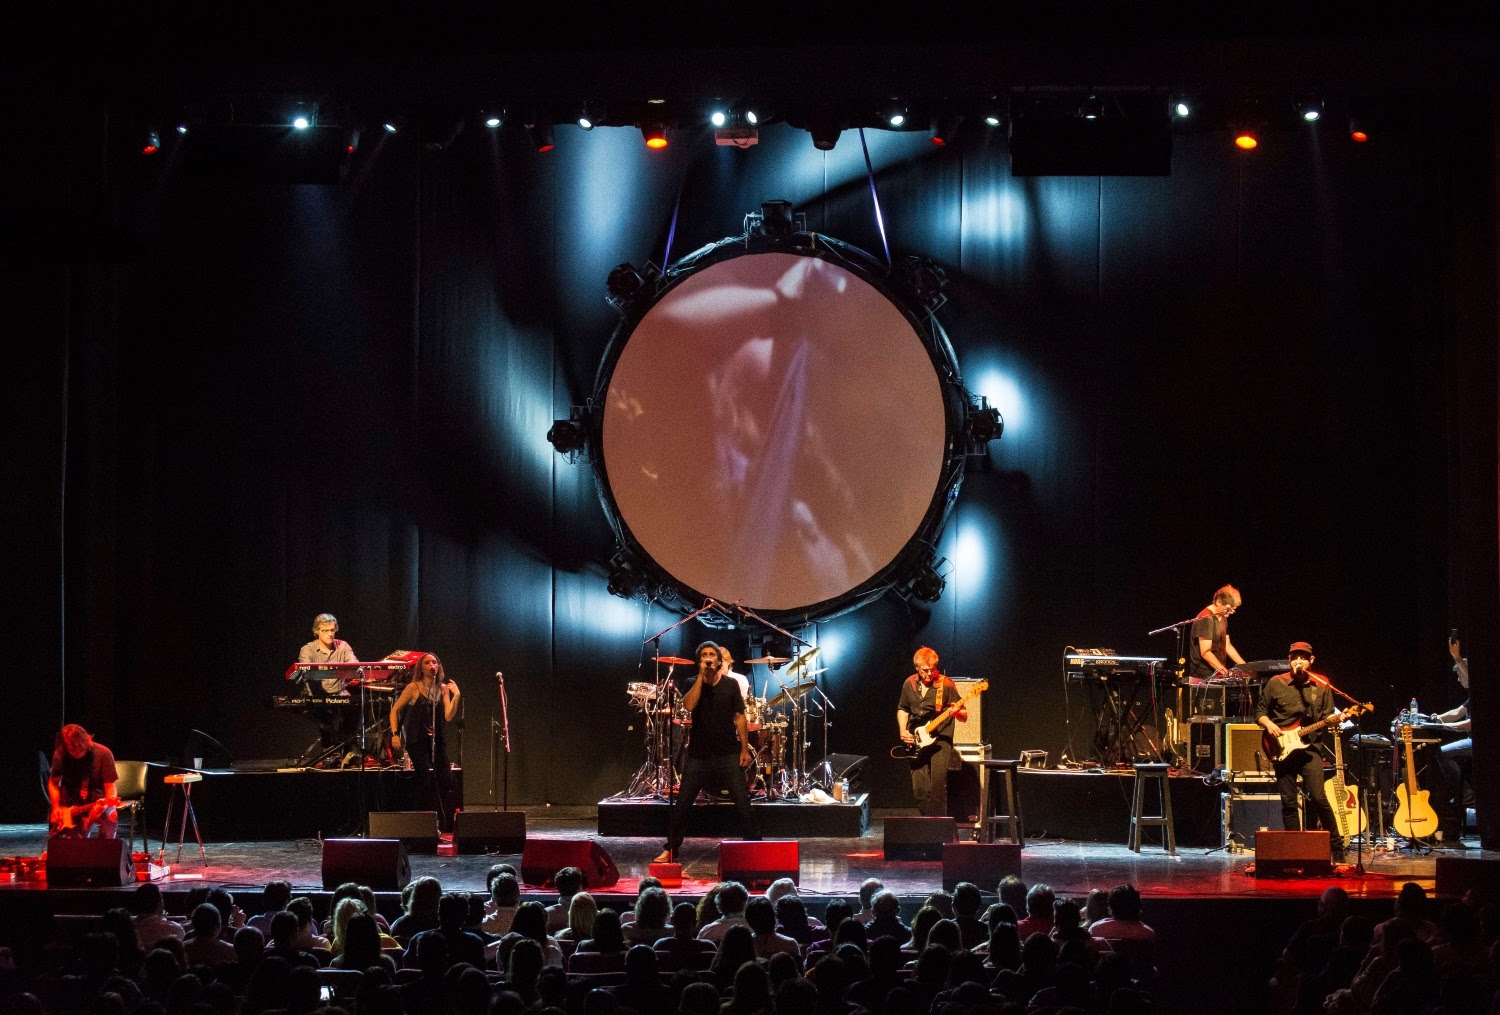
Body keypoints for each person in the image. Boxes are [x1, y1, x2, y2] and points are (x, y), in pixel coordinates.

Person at [654, 642, 759, 863]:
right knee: (682, 803)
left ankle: (754, 845)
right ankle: (671, 849)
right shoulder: (692, 682)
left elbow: (740, 716)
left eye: (712, 655)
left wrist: (743, 749)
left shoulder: (731, 685)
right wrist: (701, 677)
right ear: (700, 660)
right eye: (704, 655)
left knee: (742, 800)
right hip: (698, 754)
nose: (709, 658)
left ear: (720, 661)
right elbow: (689, 706)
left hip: (728, 752)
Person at [1255, 641, 1346, 861]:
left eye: (1303, 657)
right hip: (1281, 748)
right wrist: (1269, 724)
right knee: (1288, 802)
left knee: (1318, 797)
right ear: (1289, 659)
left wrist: (1336, 720)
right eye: (1295, 657)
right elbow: (1259, 712)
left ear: (1311, 661)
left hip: (1310, 749)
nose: (1299, 661)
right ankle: (1294, 852)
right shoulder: (1276, 683)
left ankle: (1337, 849)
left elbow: (1326, 718)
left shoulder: (1322, 684)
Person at [389, 653, 461, 831]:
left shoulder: (442, 688)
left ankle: (441, 820)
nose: (431, 665)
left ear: (439, 666)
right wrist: (395, 734)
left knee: (446, 778)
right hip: (417, 740)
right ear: (421, 668)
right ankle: (420, 821)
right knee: (424, 777)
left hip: (437, 740)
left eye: (434, 662)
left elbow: (448, 716)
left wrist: (456, 696)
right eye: (427, 662)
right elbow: (395, 710)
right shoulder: (413, 687)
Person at [896, 647, 967, 817]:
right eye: (925, 670)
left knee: (937, 788)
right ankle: (927, 825)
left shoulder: (946, 684)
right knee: (919, 790)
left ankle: (938, 832)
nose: (929, 674)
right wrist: (903, 730)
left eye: (932, 670)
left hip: (941, 741)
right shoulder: (909, 684)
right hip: (917, 739)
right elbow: (902, 709)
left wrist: (957, 712)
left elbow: (964, 715)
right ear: (917, 668)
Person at [297, 613, 358, 762]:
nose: (330, 634)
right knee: (324, 713)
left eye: (332, 630)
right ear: (317, 631)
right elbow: (307, 673)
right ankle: (329, 750)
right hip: (317, 695)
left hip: (340, 693)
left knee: (355, 707)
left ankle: (346, 749)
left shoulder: (343, 646)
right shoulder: (307, 649)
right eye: (325, 631)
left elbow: (354, 665)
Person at [1435, 635, 1473, 840]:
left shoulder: (1483, 692)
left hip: (1481, 743)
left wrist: (1445, 727)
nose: (1458, 679)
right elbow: (1458, 712)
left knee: (1443, 753)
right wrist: (1435, 718)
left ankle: (1465, 792)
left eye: (1460, 674)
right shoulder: (1469, 698)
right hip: (1470, 740)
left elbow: (1468, 724)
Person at [1189, 585, 1246, 679]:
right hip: (1204, 676)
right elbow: (1205, 652)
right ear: (1218, 601)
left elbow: (1227, 646)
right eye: (1229, 609)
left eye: (1233, 609)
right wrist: (1226, 673)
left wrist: (1245, 667)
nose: (1231, 612)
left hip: (1216, 673)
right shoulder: (1206, 619)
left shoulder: (1222, 617)